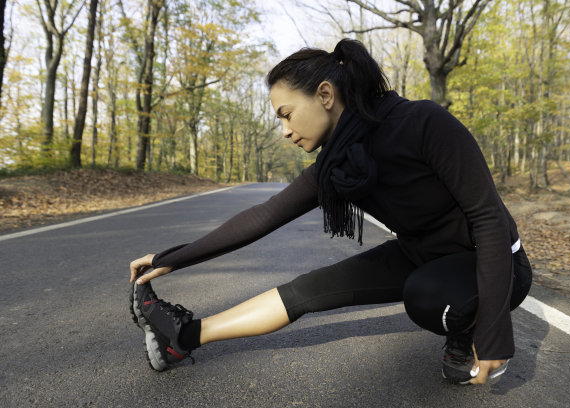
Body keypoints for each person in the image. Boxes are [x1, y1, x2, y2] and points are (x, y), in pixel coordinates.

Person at [129, 38, 532, 385]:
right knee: (309, 290)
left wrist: (495, 332)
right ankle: (183, 337)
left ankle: (466, 331)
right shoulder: (336, 165)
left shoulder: (422, 122)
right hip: (421, 255)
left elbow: (488, 219)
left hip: (494, 263)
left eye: (286, 115)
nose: (285, 131)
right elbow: (263, 216)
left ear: (325, 95)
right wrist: (171, 259)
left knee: (425, 294)